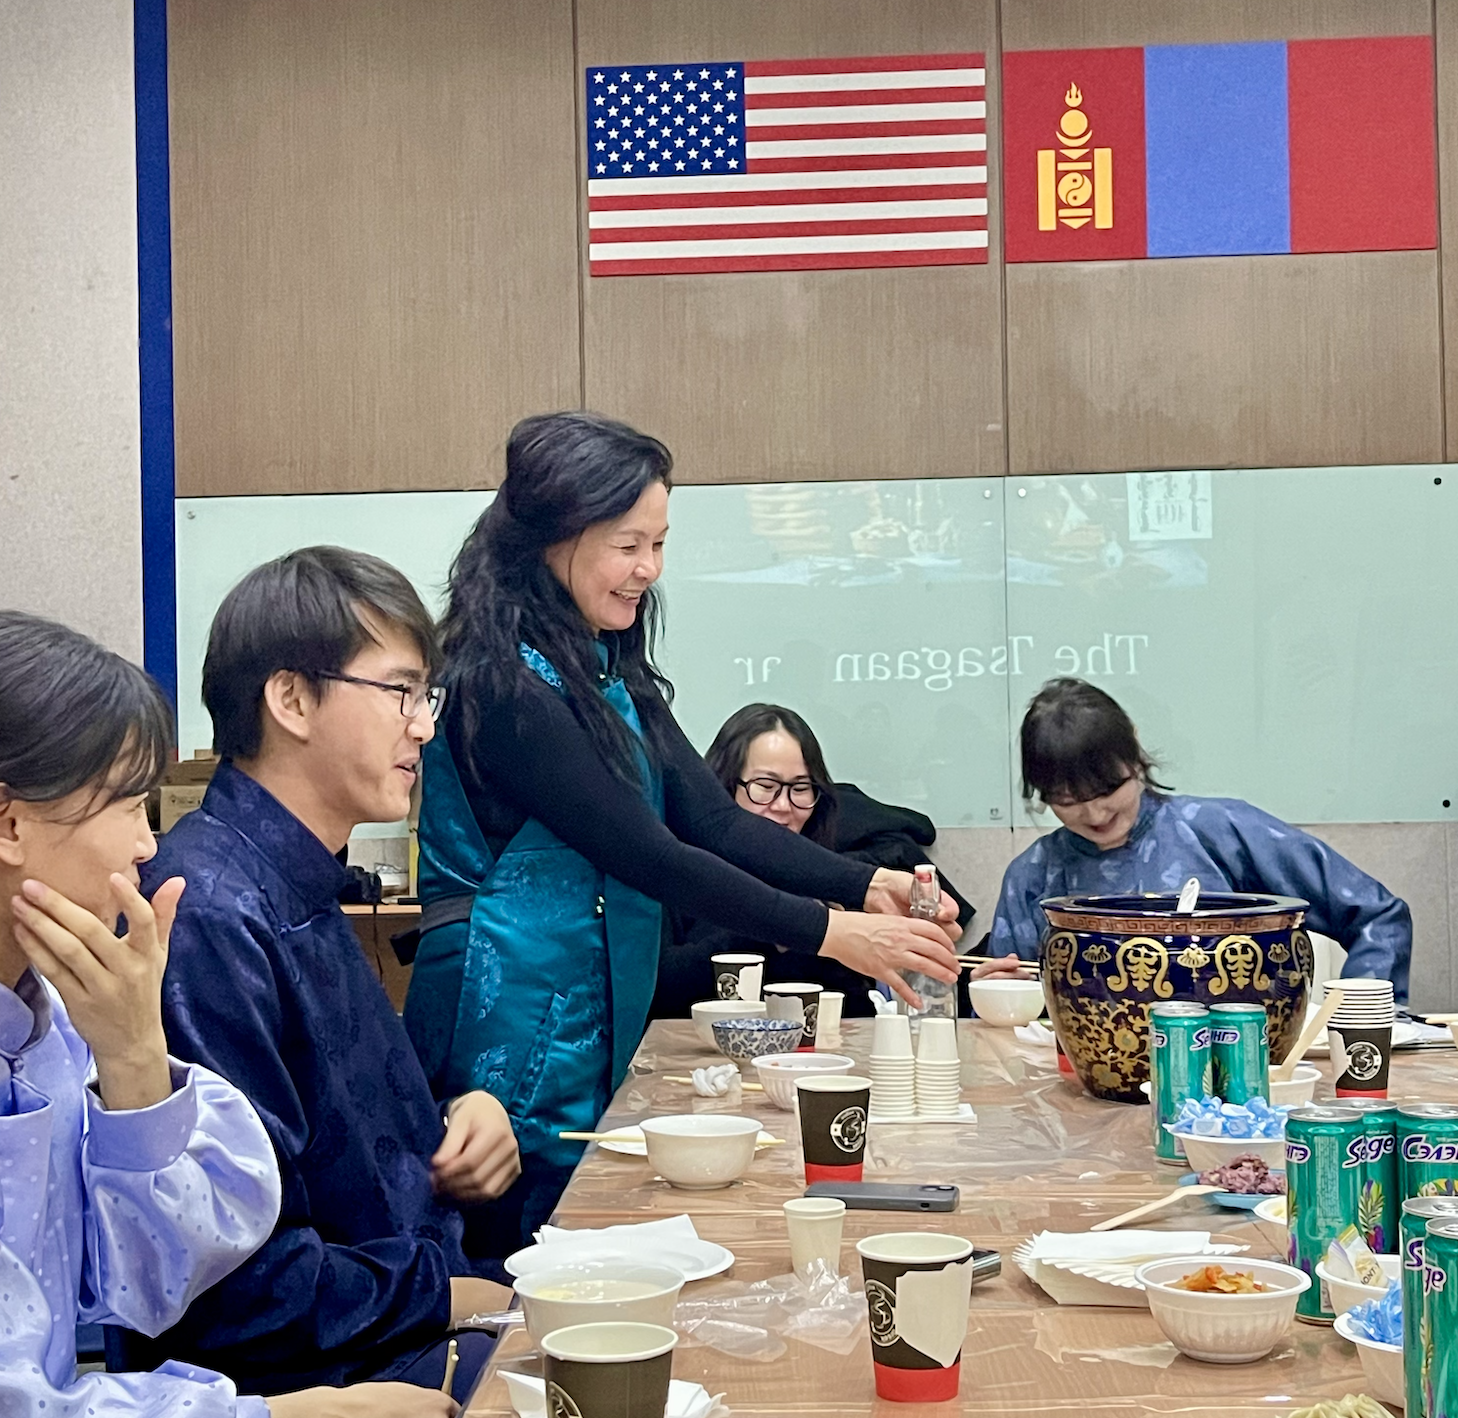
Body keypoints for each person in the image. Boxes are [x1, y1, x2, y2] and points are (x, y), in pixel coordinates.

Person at [403, 411, 960, 1247]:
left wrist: (866, 883)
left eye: (659, 545)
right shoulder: (502, 685)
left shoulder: (606, 665)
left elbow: (709, 820)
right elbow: (651, 854)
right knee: (512, 1235)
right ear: (556, 532)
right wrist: (837, 934)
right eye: (629, 544)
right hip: (507, 1002)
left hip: (583, 995)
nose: (648, 570)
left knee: (577, 1223)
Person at [0, 611, 452, 1418]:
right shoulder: (213, 906)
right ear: (11, 825)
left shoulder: (49, 1023)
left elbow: (159, 1271)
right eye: (130, 805)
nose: (148, 846)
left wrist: (137, 1058)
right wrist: (282, 1415)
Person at [115, 549, 512, 1404]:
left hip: (387, 1323)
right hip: (317, 1380)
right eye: (399, 691)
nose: (424, 727)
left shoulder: (294, 879)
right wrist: (442, 1293)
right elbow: (234, 1285)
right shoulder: (210, 913)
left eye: (424, 695)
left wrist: (451, 1130)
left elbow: (342, 1154)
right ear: (292, 699)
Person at [987, 678, 1413, 999]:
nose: (1096, 814)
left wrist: (1357, 1020)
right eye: (1069, 800)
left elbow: (1376, 916)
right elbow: (1015, 1008)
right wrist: (996, 993)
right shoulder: (1033, 875)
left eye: (1108, 790)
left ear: (1133, 753)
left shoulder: (1220, 830)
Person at [652, 702, 977, 1019]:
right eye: (765, 786)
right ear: (721, 789)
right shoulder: (679, 866)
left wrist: (972, 985)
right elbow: (661, 990)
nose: (783, 805)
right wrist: (784, 929)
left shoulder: (835, 873)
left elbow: (879, 997)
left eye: (801, 788)